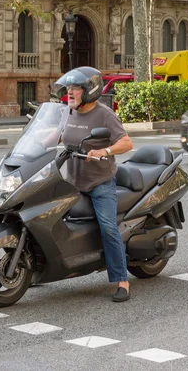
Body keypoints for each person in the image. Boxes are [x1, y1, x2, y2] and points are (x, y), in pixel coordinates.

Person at [54, 66, 134, 302]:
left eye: (75, 88)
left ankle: (122, 281)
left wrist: (105, 150)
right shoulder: (67, 112)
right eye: (68, 88)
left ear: (90, 91)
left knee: (108, 227)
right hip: (73, 182)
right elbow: (55, 136)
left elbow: (126, 142)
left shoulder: (104, 114)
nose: (70, 92)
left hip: (100, 183)